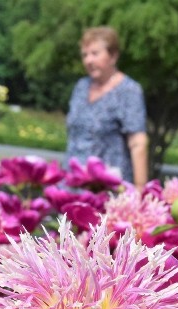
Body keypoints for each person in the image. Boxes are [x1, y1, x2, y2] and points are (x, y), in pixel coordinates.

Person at [66, 26, 148, 188]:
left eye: (95, 54)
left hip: (107, 188)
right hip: (73, 184)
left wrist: (140, 189)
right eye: (85, 55)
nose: (88, 60)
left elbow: (138, 143)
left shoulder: (128, 90)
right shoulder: (81, 87)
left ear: (113, 56)